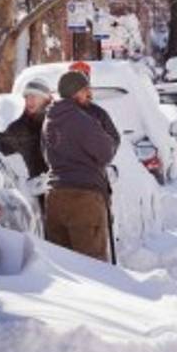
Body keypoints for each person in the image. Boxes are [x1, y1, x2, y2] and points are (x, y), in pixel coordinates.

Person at [42, 68, 121, 261]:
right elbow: (106, 152)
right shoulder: (82, 121)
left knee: (65, 266)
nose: (90, 94)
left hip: (54, 197)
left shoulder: (49, 120)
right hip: (84, 198)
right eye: (86, 90)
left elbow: (46, 155)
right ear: (75, 92)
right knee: (92, 264)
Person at [0, 79, 53, 178]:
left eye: (35, 96)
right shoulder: (18, 126)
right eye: (27, 97)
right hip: (28, 188)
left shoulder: (58, 123)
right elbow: (4, 145)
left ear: (46, 99)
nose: (30, 100)